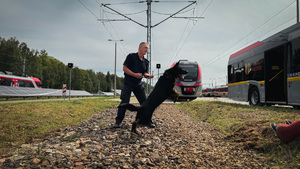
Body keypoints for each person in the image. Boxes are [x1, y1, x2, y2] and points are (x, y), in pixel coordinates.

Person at [113, 42, 154, 128]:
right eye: (145, 48)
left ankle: (148, 121)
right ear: (140, 48)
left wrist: (148, 76)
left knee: (145, 103)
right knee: (124, 102)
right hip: (128, 83)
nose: (147, 50)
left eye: (147, 48)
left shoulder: (146, 62)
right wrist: (134, 74)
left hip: (138, 84)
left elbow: (145, 73)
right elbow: (124, 68)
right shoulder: (131, 56)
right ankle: (117, 122)